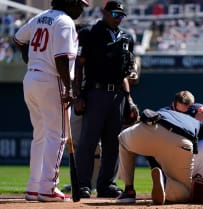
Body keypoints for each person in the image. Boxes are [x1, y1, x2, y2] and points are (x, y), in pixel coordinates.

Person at [13, 0, 89, 202]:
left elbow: (18, 39)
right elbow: (61, 59)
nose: (82, 8)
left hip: (31, 79)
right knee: (58, 135)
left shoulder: (40, 17)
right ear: (69, 2)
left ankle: (34, 186)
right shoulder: (64, 21)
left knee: (40, 135)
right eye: (79, 4)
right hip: (51, 79)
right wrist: (70, 88)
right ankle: (48, 188)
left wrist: (31, 57)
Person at [73, 0, 139, 198]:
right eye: (115, 14)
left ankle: (106, 184)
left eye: (121, 15)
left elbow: (127, 71)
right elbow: (79, 65)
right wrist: (77, 94)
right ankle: (83, 184)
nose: (118, 18)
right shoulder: (89, 33)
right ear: (105, 13)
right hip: (95, 92)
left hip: (118, 94)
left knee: (113, 143)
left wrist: (129, 99)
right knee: (88, 141)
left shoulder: (127, 37)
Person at [115, 108, 200, 205]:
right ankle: (165, 185)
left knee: (122, 139)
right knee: (184, 192)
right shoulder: (194, 121)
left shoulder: (165, 110)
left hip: (147, 129)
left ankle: (128, 191)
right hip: (178, 140)